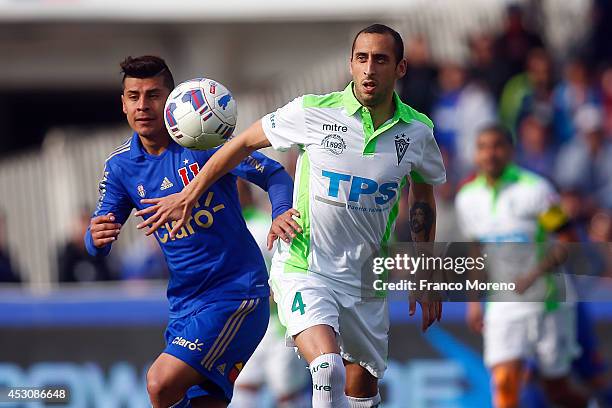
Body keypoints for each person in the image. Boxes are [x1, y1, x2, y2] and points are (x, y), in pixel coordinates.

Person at [135, 24, 446, 408]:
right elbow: (243, 143)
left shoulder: (418, 131)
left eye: (380, 60)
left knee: (362, 391)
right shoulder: (312, 111)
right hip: (306, 265)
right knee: (327, 367)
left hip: (367, 277)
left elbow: (422, 196)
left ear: (400, 68)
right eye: (361, 59)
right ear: (350, 64)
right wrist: (189, 193)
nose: (369, 69)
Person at [84, 55, 296, 408]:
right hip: (184, 304)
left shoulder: (203, 139)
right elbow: (98, 242)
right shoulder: (121, 166)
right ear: (123, 104)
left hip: (236, 295)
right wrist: (95, 236)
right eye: (134, 96)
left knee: (159, 384)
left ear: (169, 101)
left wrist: (281, 211)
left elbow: (272, 173)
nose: (143, 105)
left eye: (153, 95)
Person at [456, 125, 588, 408]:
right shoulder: (467, 198)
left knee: (558, 391)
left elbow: (568, 238)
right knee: (504, 382)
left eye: (497, 146)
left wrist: (534, 274)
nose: (490, 154)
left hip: (548, 303)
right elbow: (476, 250)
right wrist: (474, 301)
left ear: (510, 151)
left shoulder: (536, 190)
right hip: (503, 304)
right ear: (475, 154)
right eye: (483, 147)